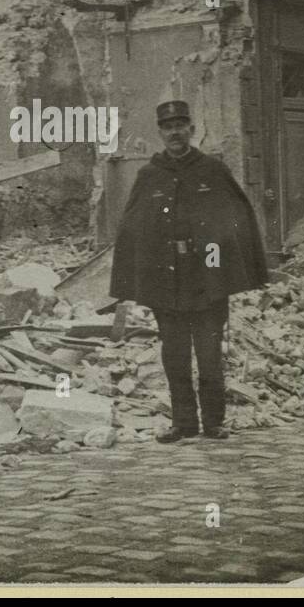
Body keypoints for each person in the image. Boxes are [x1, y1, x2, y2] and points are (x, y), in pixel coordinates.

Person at [110, 100, 269, 443]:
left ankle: (214, 422)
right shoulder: (149, 175)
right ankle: (183, 424)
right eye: (168, 127)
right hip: (167, 282)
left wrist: (224, 267)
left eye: (181, 125)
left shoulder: (212, 171)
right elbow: (132, 227)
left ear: (192, 130)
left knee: (210, 356)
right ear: (160, 132)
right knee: (175, 357)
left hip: (207, 280)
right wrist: (139, 276)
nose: (175, 132)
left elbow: (237, 219)